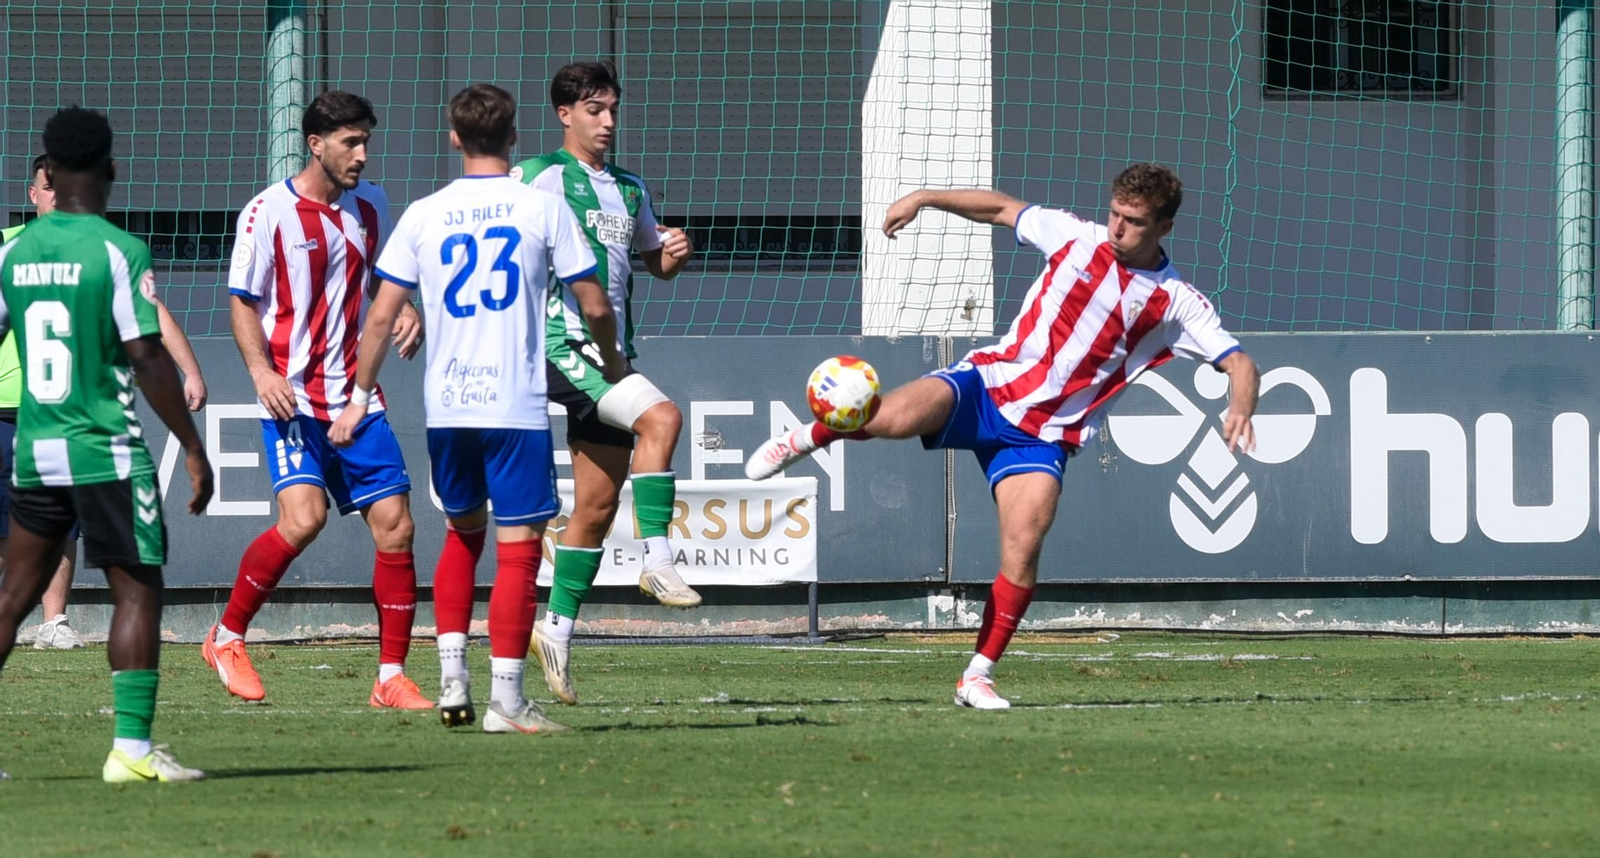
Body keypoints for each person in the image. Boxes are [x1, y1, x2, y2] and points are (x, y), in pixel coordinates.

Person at [747, 164, 1261, 709]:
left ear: (1164, 227)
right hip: (988, 384)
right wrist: (923, 197)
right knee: (889, 419)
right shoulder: (1073, 237)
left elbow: (1240, 362)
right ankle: (809, 435)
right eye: (1114, 213)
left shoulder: (1176, 300)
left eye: (1133, 221)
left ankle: (977, 675)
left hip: (1044, 436)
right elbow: (999, 208)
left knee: (1023, 547)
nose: (1116, 229)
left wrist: (1240, 406)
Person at [331, 83, 610, 734]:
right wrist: (613, 365)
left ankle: (453, 678)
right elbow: (593, 304)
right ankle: (506, 701)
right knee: (517, 551)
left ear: (454, 139)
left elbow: (379, 318)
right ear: (513, 139)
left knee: (461, 534)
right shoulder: (540, 208)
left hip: (448, 407)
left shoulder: (426, 214)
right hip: (514, 404)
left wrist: (356, 396)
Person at [0, 106, 214, 782]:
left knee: (12, 595)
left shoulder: (16, 252)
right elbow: (147, 356)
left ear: (50, 174)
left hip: (36, 448)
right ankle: (131, 748)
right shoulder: (118, 251)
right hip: (105, 450)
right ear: (111, 171)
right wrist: (192, 444)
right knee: (137, 588)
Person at [208, 90, 429, 709]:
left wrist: (405, 307)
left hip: (358, 399)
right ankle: (226, 637)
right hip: (293, 399)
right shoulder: (266, 212)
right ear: (316, 145)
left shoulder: (373, 205)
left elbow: (384, 281)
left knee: (397, 529)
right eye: (350, 143)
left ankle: (390, 677)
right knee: (302, 520)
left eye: (366, 142)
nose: (362, 154)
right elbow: (241, 301)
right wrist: (261, 372)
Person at [512, 60, 697, 706]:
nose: (608, 121)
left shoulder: (629, 188)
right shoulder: (535, 178)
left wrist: (671, 257)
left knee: (593, 507)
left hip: (607, 354)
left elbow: (653, 262)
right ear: (565, 115)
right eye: (595, 109)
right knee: (663, 418)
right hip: (562, 349)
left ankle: (555, 632)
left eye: (613, 108)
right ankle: (658, 561)